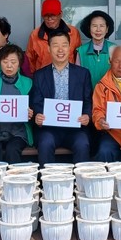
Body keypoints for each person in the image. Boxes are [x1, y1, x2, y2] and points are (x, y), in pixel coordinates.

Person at [30, 31, 92, 166]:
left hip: (75, 127)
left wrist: (87, 115)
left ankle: (81, 179)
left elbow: (88, 100)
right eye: (55, 45)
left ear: (70, 47)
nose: (60, 50)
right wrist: (38, 115)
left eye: (64, 45)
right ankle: (47, 179)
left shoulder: (83, 73)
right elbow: (36, 102)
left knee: (82, 143)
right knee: (45, 143)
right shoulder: (40, 75)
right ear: (48, 48)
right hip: (49, 128)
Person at [0, 44, 34, 163]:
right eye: (5, 62)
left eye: (13, 62)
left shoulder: (28, 83)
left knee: (12, 149)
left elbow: (33, 108)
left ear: (19, 64)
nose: (9, 66)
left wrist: (31, 113)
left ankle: (15, 175)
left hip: (19, 131)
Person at [26, 0, 82, 72]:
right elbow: (30, 61)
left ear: (60, 14)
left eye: (53, 15)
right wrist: (35, 77)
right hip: (43, 77)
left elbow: (79, 58)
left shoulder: (73, 32)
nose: (49, 19)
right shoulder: (34, 35)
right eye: (46, 15)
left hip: (69, 76)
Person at [76, 10, 116, 88]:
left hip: (109, 94)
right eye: (94, 26)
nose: (98, 29)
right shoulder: (81, 51)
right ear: (89, 28)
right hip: (87, 94)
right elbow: (78, 77)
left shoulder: (115, 49)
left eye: (102, 26)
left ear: (107, 29)